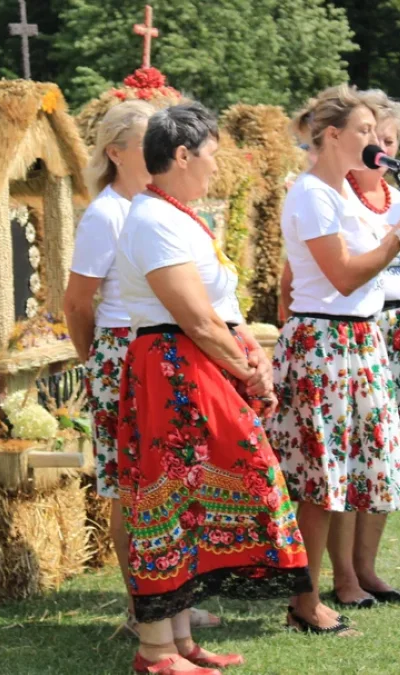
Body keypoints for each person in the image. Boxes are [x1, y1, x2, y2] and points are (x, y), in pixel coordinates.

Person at [115, 102, 310, 674]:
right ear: (182, 155)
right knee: (169, 498)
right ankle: (155, 649)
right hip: (173, 366)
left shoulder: (177, 214)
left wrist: (252, 354)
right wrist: (247, 369)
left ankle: (177, 642)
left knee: (190, 501)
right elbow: (196, 319)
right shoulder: (152, 219)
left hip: (193, 365)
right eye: (212, 153)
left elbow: (220, 309)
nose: (216, 164)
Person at [269, 84, 400, 634]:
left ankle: (317, 592)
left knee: (339, 478)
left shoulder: (337, 193)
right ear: (332, 135)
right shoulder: (313, 193)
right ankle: (305, 600)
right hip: (326, 343)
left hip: (358, 341)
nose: (372, 140)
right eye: (363, 131)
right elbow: (341, 276)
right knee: (320, 480)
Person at [64, 101, 224, 637]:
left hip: (153, 352)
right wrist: (98, 362)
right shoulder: (107, 213)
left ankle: (171, 600)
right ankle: (143, 606)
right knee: (132, 487)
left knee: (170, 483)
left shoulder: (158, 208)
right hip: (121, 352)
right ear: (116, 152)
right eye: (143, 138)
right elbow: (77, 301)